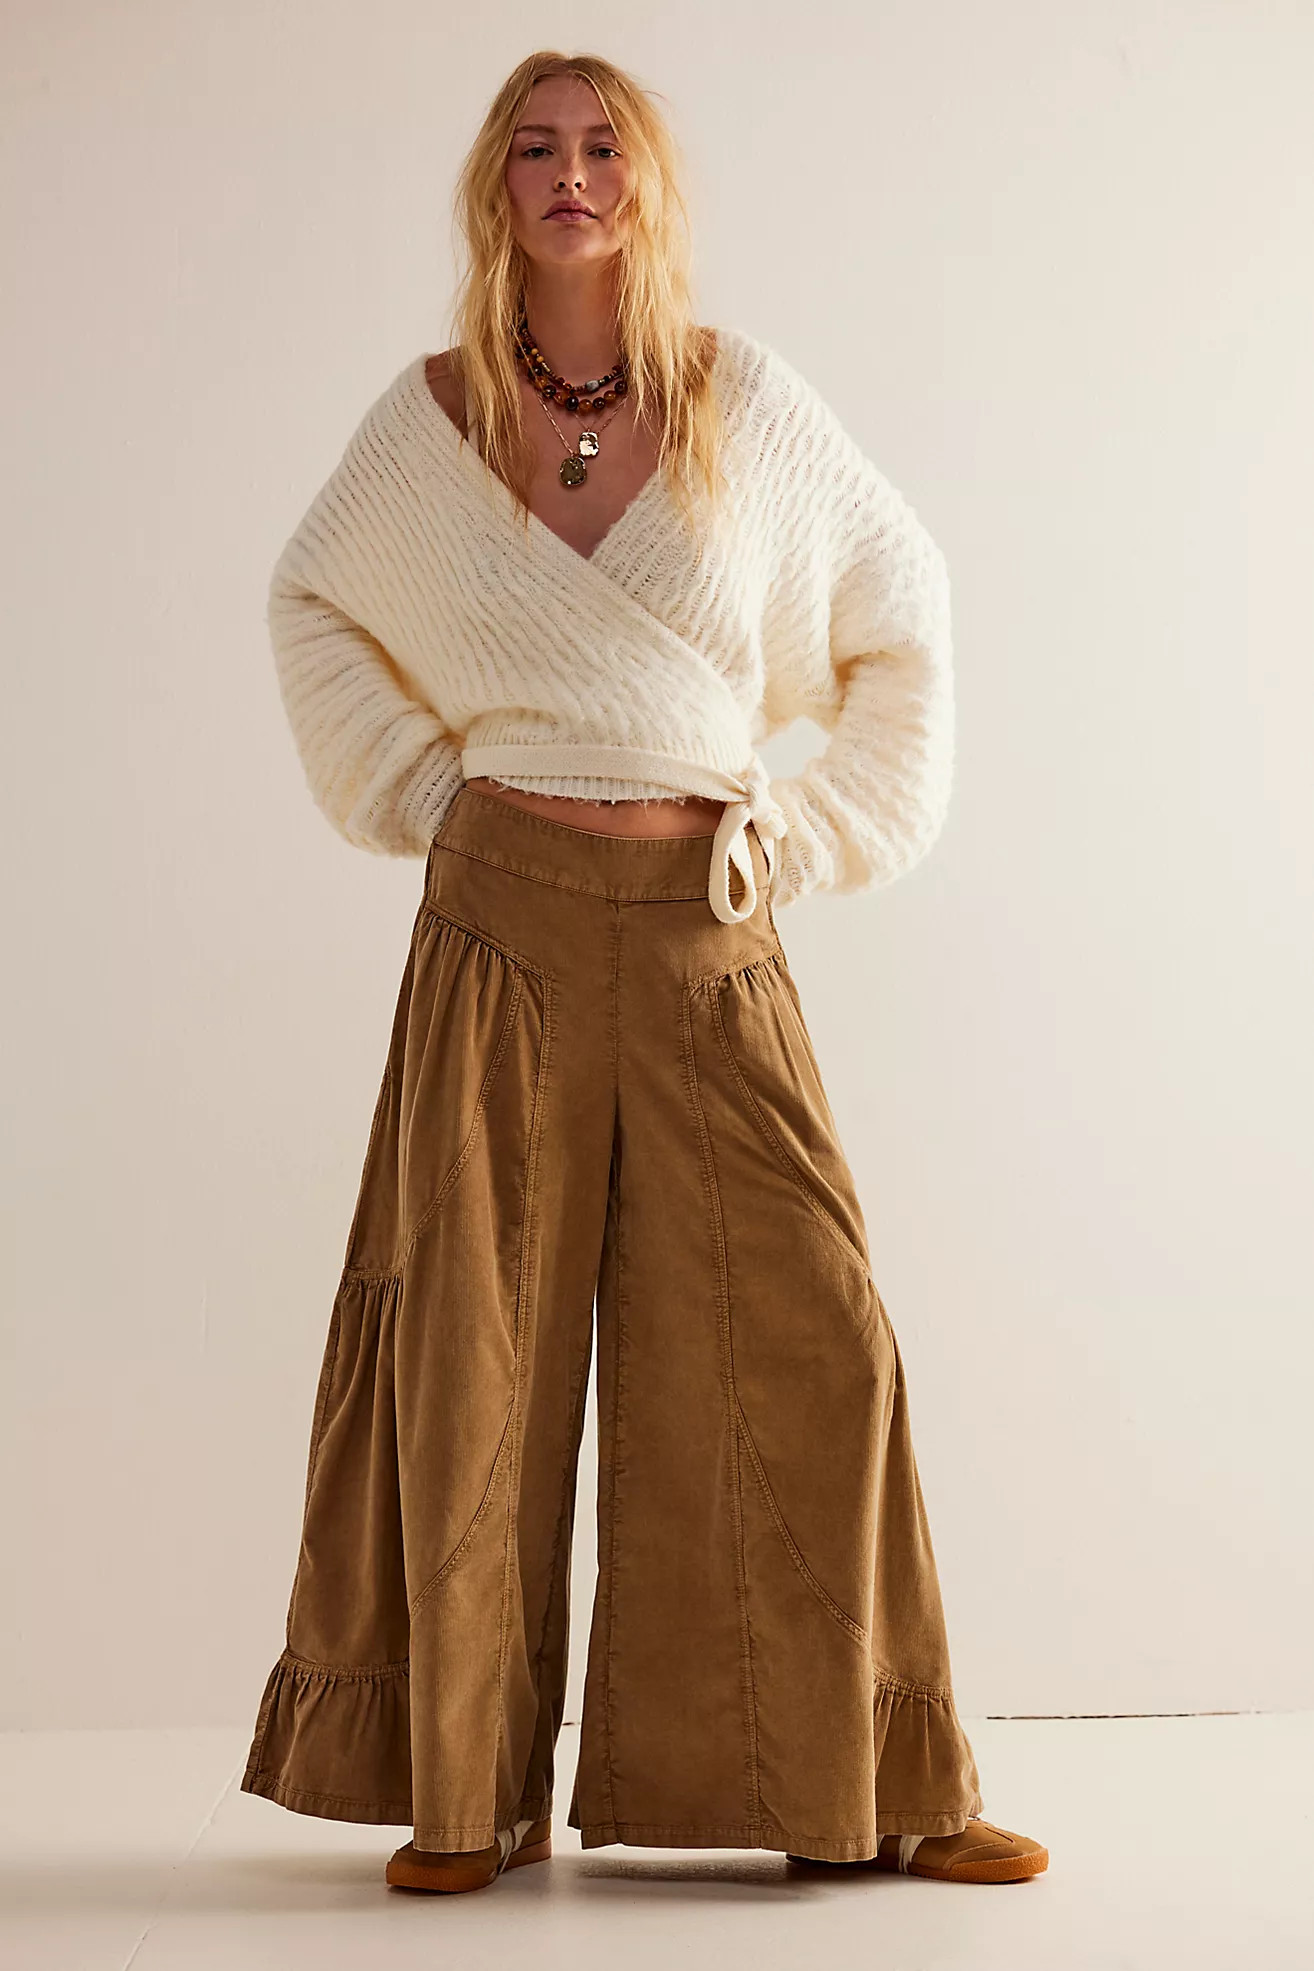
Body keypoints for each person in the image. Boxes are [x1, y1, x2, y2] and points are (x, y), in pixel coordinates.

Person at [240, 49, 1048, 1895]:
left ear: (647, 182)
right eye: (534, 147)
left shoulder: (739, 400)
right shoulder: (428, 421)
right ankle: (463, 1795)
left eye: (604, 145)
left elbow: (903, 612)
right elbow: (309, 599)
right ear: (494, 187)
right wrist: (426, 791)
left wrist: (806, 834)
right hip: (500, 928)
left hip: (707, 926)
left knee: (809, 1333)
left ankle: (863, 1785)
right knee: (472, 1350)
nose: (571, 173)